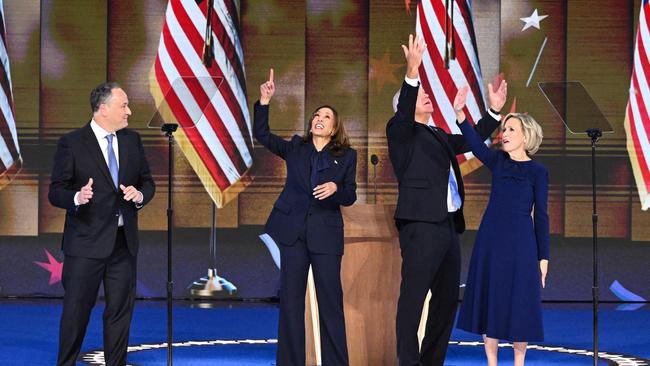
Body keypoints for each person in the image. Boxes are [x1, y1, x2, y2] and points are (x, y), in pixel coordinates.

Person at [386, 35, 507, 366]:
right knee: (413, 299)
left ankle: (431, 361)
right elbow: (404, 109)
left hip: (448, 226)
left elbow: (469, 140)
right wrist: (412, 72)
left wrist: (494, 112)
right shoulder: (400, 134)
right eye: (421, 94)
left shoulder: (437, 134)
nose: (428, 96)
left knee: (446, 301)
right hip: (421, 225)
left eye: (425, 92)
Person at [254, 69, 357, 366]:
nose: (318, 119)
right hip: (293, 234)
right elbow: (262, 135)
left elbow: (349, 194)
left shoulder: (347, 156)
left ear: (335, 127)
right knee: (290, 302)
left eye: (325, 116)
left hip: (325, 235)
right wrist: (264, 101)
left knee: (331, 303)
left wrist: (337, 188)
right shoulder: (296, 148)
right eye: (316, 115)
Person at [48, 82, 155, 366]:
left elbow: (148, 181)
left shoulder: (132, 140)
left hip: (123, 243)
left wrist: (140, 194)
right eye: (124, 105)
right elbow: (55, 191)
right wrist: (77, 196)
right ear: (103, 108)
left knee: (120, 312)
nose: (129, 111)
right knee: (76, 312)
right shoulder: (72, 143)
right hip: (85, 244)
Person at [455, 100, 549, 366]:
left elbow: (541, 215)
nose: (504, 134)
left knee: (520, 299)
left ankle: (519, 362)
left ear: (526, 136)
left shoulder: (539, 171)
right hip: (491, 240)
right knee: (491, 295)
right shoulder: (497, 161)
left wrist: (544, 257)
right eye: (504, 129)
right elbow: (474, 144)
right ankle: (492, 362)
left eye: (511, 130)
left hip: (522, 243)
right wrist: (461, 116)